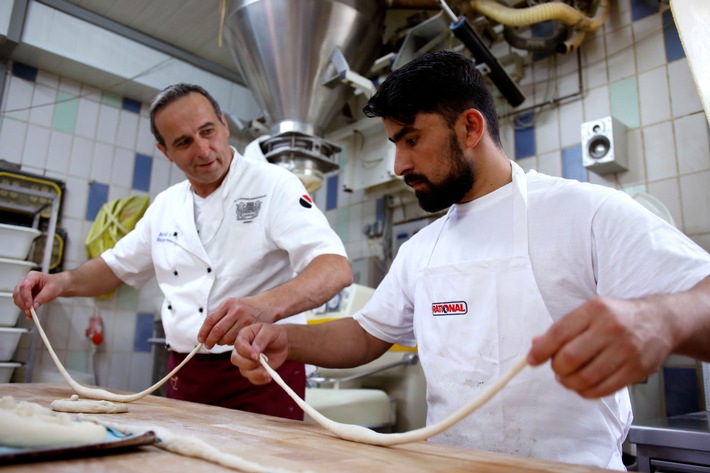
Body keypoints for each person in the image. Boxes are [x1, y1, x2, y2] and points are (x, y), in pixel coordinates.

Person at [229, 50, 710, 469]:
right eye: (394, 144)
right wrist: (285, 338)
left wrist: (661, 318)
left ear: (471, 127)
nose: (398, 165)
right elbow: (365, 335)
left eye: (412, 139)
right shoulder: (423, 247)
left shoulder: (584, 212)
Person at [14, 83, 353, 421]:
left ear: (223, 124)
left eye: (208, 131)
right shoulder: (165, 206)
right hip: (186, 372)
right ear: (166, 152)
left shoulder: (274, 184)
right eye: (184, 142)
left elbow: (334, 268)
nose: (203, 150)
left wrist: (263, 307)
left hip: (262, 367)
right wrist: (61, 281)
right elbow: (114, 267)